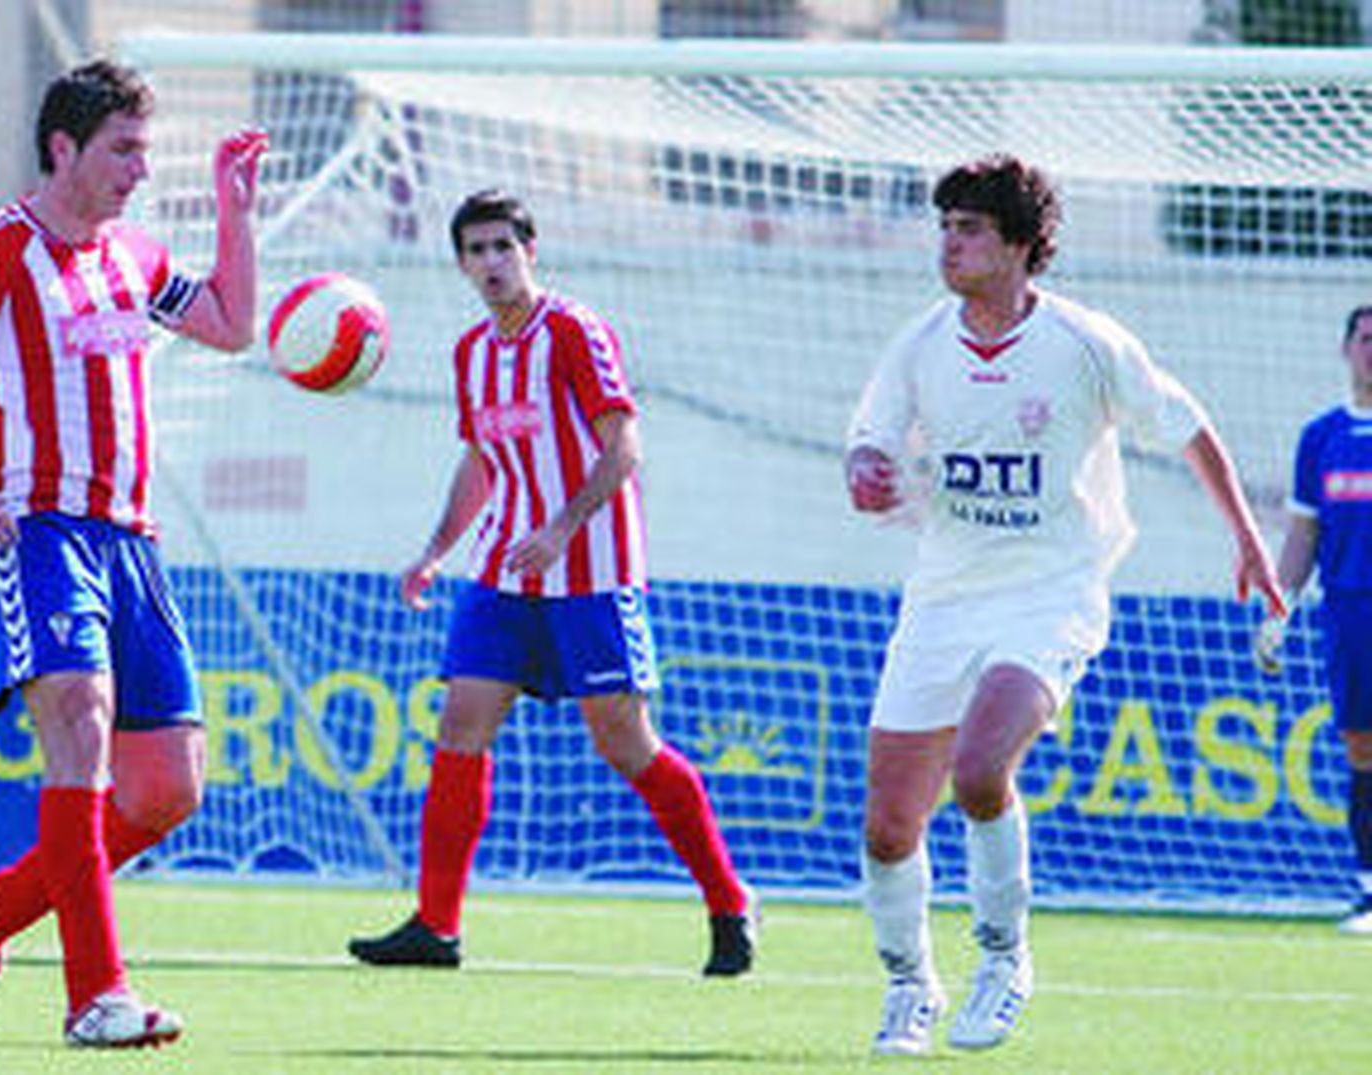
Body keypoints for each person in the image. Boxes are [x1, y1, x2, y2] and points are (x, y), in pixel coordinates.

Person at [0, 59, 266, 1047]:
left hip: (132, 541)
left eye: (144, 151)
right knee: (79, 723)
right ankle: (96, 997)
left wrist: (234, 211)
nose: (137, 170)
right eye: (121, 149)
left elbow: (235, 327)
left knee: (167, 789)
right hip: (36, 534)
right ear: (62, 148)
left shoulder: (133, 256)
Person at [845, 155, 1285, 1055]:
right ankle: (909, 986)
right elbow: (871, 441)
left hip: (1050, 595)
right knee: (890, 826)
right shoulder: (921, 343)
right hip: (941, 596)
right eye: (945, 226)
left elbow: (1188, 425)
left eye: (969, 228)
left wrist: (1246, 537)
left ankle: (1004, 958)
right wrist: (866, 470)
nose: (950, 243)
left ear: (1018, 244)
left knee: (978, 768)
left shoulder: (1085, 342)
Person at [347, 189, 756, 976]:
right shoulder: (472, 352)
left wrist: (564, 525)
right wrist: (436, 549)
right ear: (461, 263)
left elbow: (623, 444)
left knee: (624, 741)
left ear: (530, 249)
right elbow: (479, 459)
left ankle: (729, 900)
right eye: (476, 250)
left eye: (504, 246)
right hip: (504, 568)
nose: (492, 262)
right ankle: (436, 925)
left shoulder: (572, 330)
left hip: (591, 572)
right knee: (461, 722)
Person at [1254, 304, 1372, 936]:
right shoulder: (1321, 436)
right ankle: (1369, 890)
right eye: (1365, 337)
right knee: (1362, 748)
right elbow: (1304, 532)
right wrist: (1281, 606)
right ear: (1346, 347)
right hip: (1351, 609)